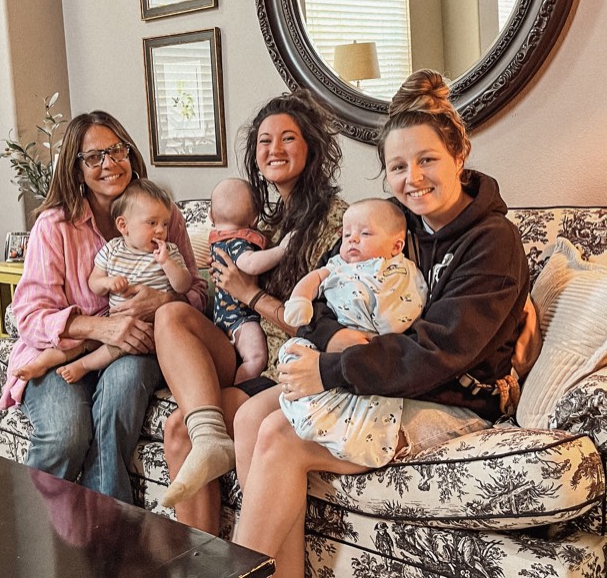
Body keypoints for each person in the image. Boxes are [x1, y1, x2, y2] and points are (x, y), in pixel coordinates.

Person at [232, 69, 531, 577]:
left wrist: (330, 369)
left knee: (281, 436)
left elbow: (435, 354)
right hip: (378, 378)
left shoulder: (492, 242)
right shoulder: (390, 223)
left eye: (427, 159)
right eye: (398, 166)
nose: (412, 178)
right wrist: (340, 340)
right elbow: (319, 295)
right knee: (248, 417)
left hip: (449, 396)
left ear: (459, 157)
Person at [152, 89, 347, 524]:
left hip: (293, 362)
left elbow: (325, 330)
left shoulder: (338, 222)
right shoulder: (266, 223)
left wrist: (249, 294)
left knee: (176, 429)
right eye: (264, 140)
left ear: (312, 147)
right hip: (246, 347)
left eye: (288, 138)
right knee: (170, 316)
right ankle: (200, 561)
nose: (274, 148)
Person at [0, 111, 208, 504]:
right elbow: (27, 315)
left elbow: (197, 294)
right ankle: (42, 540)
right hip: (62, 352)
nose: (109, 164)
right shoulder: (55, 226)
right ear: (76, 170)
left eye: (116, 151)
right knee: (66, 434)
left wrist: (163, 300)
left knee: (120, 395)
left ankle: (110, 537)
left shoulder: (163, 216)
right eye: (93, 157)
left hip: (135, 348)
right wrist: (100, 328)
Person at [278, 197, 428, 467]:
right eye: (347, 234)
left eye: (365, 234)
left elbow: (409, 309)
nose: (352, 240)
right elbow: (312, 290)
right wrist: (304, 307)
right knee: (251, 415)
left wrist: (379, 333)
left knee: (277, 437)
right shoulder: (338, 265)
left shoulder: (401, 270)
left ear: (397, 245)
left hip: (376, 354)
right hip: (330, 346)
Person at [10, 178, 192, 384]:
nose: (161, 230)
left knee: (116, 354)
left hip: (149, 331)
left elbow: (186, 286)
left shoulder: (169, 252)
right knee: (79, 344)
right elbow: (94, 282)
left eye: (165, 224)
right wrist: (108, 282)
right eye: (152, 223)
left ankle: (83, 365)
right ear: (123, 225)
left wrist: (167, 265)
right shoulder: (113, 249)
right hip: (108, 327)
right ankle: (40, 364)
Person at [208, 177, 293, 384]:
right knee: (256, 358)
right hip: (239, 318)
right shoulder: (237, 242)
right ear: (255, 219)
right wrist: (282, 250)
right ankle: (238, 387)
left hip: (221, 316)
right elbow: (251, 264)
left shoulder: (218, 240)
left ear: (210, 216)